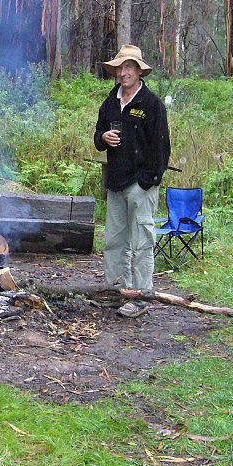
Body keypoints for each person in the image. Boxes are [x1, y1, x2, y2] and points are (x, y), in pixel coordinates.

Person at [93, 45, 171, 318]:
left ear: (139, 71)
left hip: (141, 185)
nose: (123, 73)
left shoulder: (151, 104)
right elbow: (98, 135)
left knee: (141, 242)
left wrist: (146, 182)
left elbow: (161, 150)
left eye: (128, 67)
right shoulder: (111, 101)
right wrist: (103, 138)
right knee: (114, 241)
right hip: (115, 182)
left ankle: (142, 295)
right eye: (119, 68)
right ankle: (116, 291)